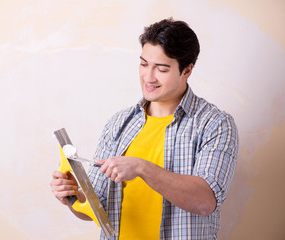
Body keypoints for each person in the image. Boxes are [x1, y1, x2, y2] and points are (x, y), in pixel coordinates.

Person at [50, 18, 238, 240]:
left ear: (187, 70)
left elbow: (205, 202)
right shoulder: (119, 123)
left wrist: (142, 168)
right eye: (144, 64)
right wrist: (72, 197)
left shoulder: (214, 124)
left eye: (161, 69)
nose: (148, 77)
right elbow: (97, 206)